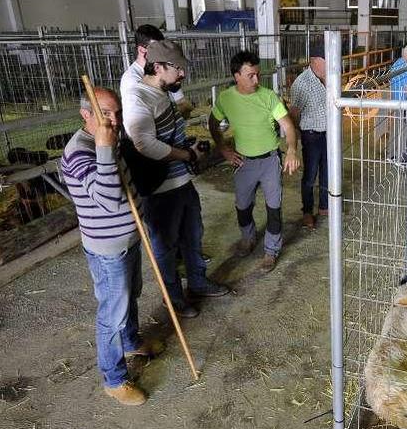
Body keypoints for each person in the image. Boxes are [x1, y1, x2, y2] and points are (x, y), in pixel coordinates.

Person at [61, 86, 159, 406]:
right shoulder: (81, 152)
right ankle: (114, 380)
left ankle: (131, 342)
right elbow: (107, 199)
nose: (114, 120)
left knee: (132, 295)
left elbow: (125, 187)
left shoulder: (107, 138)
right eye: (106, 114)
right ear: (85, 115)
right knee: (111, 316)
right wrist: (105, 149)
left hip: (128, 239)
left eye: (116, 113)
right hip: (107, 250)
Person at [123, 40, 228, 319]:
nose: (183, 75)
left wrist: (189, 154)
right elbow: (143, 143)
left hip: (181, 183)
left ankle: (198, 282)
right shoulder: (138, 97)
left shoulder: (160, 92)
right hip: (160, 190)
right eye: (178, 69)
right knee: (165, 248)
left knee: (193, 236)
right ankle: (174, 298)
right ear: (158, 67)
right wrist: (185, 155)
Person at [208, 50, 300, 272]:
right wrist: (223, 149)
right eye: (251, 75)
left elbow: (287, 125)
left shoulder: (268, 96)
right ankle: (248, 238)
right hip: (243, 162)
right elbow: (213, 122)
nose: (257, 80)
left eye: (258, 74)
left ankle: (271, 251)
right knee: (243, 206)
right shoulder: (225, 98)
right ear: (236, 76)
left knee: (274, 207)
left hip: (269, 161)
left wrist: (291, 150)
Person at [288, 44, 327, 229]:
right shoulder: (301, 84)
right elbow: (294, 114)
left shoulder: (329, 78)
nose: (330, 65)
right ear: (314, 61)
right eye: (325, 61)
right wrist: (299, 134)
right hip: (311, 136)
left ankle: (324, 206)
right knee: (310, 176)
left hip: (329, 134)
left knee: (327, 172)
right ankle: (307, 211)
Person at [120, 25, 194, 119]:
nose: (161, 51)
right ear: (141, 50)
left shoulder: (161, 69)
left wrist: (181, 102)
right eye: (155, 47)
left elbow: (174, 90)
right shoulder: (132, 80)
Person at [387, 44, 407, 167]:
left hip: (395, 101)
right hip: (402, 103)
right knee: (403, 132)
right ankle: (399, 158)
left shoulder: (397, 63)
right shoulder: (405, 67)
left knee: (395, 130)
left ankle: (391, 155)